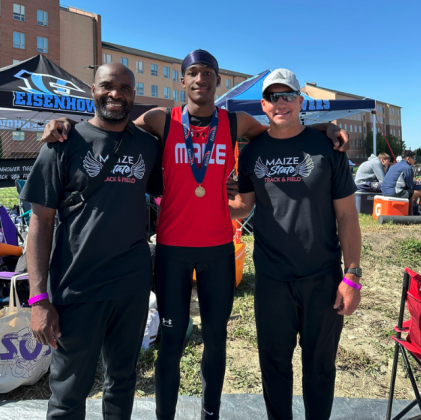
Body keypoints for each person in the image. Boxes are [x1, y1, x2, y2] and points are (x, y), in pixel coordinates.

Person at [41, 50, 349, 420]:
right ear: (182, 81)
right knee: (171, 341)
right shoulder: (161, 120)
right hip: (172, 250)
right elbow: (112, 127)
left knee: (215, 342)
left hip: (219, 249)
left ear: (218, 81)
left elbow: (282, 129)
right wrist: (66, 124)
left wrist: (324, 129)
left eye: (208, 73)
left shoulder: (236, 123)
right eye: (193, 73)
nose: (201, 79)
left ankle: (210, 415)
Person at [21, 63, 163, 419]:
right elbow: (40, 223)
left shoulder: (147, 147)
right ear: (93, 90)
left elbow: (175, 190)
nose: (116, 94)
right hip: (77, 287)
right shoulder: (64, 142)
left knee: (122, 381)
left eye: (126, 88)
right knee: (69, 391)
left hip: (131, 287)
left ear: (134, 96)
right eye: (107, 86)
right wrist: (38, 298)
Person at [229, 68, 362, 420]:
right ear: (263, 105)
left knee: (319, 369)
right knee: (274, 368)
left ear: (300, 101)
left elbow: (348, 216)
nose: (280, 102)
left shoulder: (327, 148)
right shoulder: (252, 152)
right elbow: (243, 204)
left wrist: (352, 276)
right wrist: (200, 198)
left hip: (323, 278)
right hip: (272, 280)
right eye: (273, 97)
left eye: (287, 95)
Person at [381, 150, 421, 215]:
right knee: (417, 192)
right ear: (408, 158)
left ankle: (410, 215)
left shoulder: (394, 166)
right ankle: (417, 214)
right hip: (394, 192)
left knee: (410, 193)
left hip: (385, 191)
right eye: (413, 158)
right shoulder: (407, 168)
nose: (415, 160)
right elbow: (411, 186)